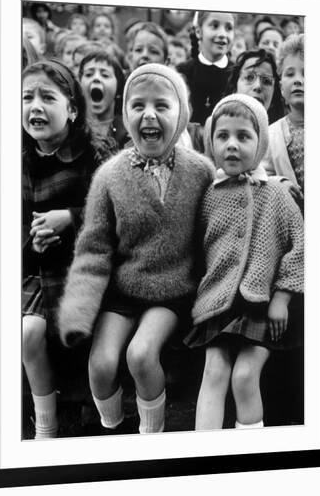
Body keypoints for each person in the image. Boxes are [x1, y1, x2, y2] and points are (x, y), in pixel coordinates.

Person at [57, 64, 215, 434]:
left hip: (173, 291)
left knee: (141, 355)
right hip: (124, 291)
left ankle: (150, 434)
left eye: (162, 105)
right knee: (101, 364)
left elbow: (216, 229)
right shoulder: (110, 176)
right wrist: (79, 309)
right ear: (125, 113)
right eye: (138, 105)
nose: (149, 114)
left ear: (182, 114)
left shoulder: (200, 171)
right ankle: (113, 427)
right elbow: (93, 247)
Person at [185, 94, 304, 431]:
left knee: (244, 375)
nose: (232, 146)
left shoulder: (276, 194)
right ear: (211, 142)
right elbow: (198, 249)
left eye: (243, 136)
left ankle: (250, 455)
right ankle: (202, 458)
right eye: (222, 137)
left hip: (264, 306)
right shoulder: (209, 195)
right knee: (214, 370)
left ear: (261, 141)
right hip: (219, 305)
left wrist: (283, 297)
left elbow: (301, 247)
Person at [21, 59, 103, 439]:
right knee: (28, 334)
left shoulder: (93, 154)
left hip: (85, 268)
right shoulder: (16, 162)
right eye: (27, 98)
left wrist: (70, 217)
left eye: (47, 97)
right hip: (37, 271)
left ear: (71, 109)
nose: (35, 106)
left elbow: (114, 211)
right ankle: (46, 425)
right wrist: (31, 240)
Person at [263, 34, 305, 205]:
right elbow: (261, 177)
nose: (298, 80)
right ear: (280, 87)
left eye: (306, 73)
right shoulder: (272, 134)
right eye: (290, 74)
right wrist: (279, 183)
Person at [177, 11, 235, 126]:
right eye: (215, 26)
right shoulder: (182, 72)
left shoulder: (236, 74)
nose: (223, 34)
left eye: (228, 28)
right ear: (199, 32)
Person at [79, 49, 130, 158]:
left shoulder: (129, 130)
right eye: (89, 74)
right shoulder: (72, 130)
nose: (96, 78)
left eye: (105, 75)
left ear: (118, 87)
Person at [222, 49, 284, 124]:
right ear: (234, 88)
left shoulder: (281, 133)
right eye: (249, 77)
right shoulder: (215, 125)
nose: (257, 86)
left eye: (266, 81)